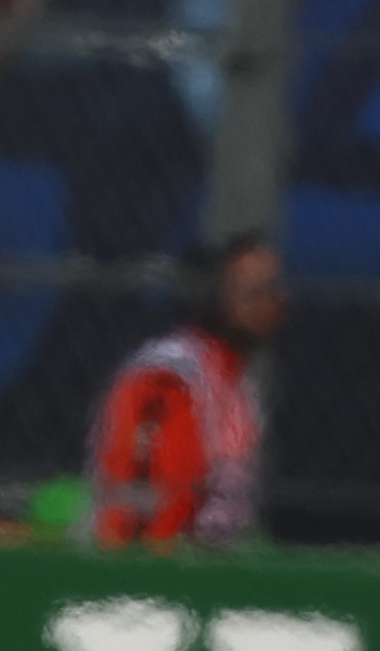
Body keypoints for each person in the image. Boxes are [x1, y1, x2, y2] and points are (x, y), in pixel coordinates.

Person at [85, 232, 278, 546]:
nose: (272, 304)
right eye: (254, 293)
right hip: (155, 568)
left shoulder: (237, 382)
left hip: (208, 563)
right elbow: (141, 506)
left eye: (272, 291)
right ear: (213, 294)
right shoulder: (170, 375)